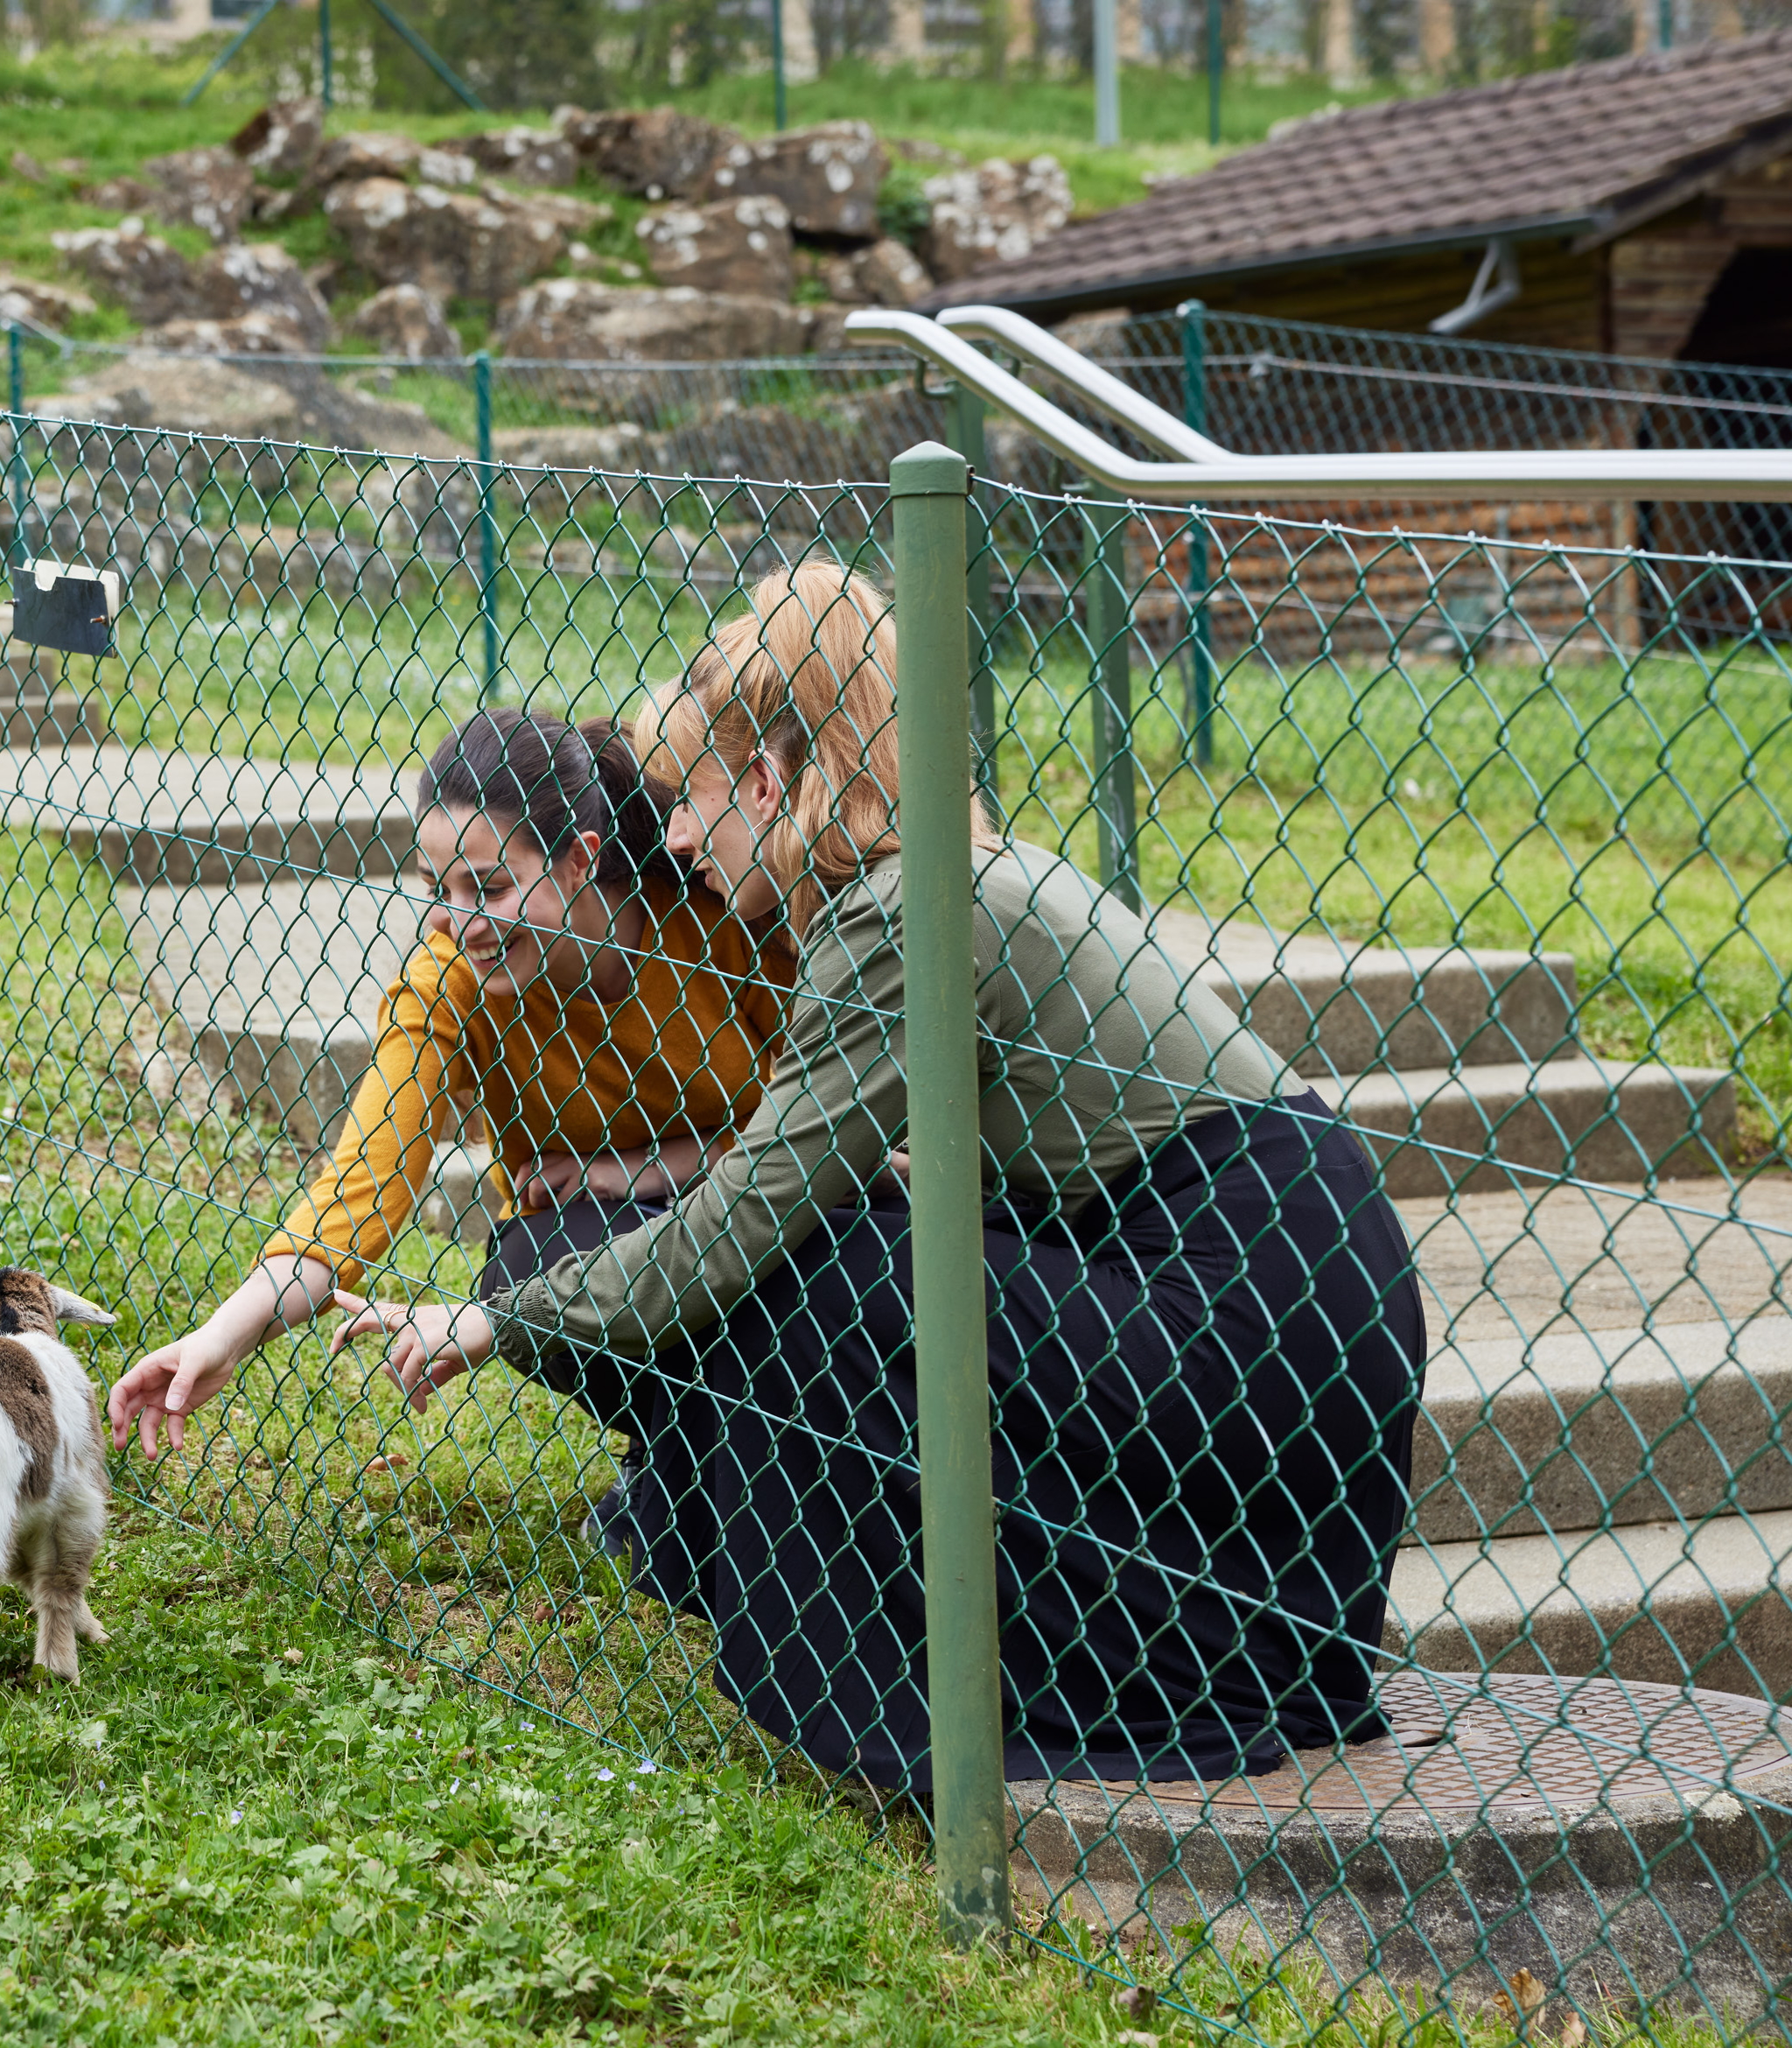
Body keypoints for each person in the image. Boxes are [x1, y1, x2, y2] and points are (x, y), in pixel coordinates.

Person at [260, 564, 1425, 1793]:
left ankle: (924, 1699)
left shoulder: (897, 913)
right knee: (849, 1256)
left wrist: (500, 1314)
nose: (680, 839)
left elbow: (756, 1210)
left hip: (1253, 1297)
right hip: (1274, 1265)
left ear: (766, 781)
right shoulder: (917, 876)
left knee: (826, 1272)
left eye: (691, 803)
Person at [106, 707, 792, 1469]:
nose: (460, 921)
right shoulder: (447, 980)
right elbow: (359, 1189)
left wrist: (654, 1164)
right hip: (589, 1237)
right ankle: (684, 1469)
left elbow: (826, 1115)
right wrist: (220, 1337)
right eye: (438, 886)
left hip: (763, 1192)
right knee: (529, 1273)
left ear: (578, 860)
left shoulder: (721, 916)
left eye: (491, 887)